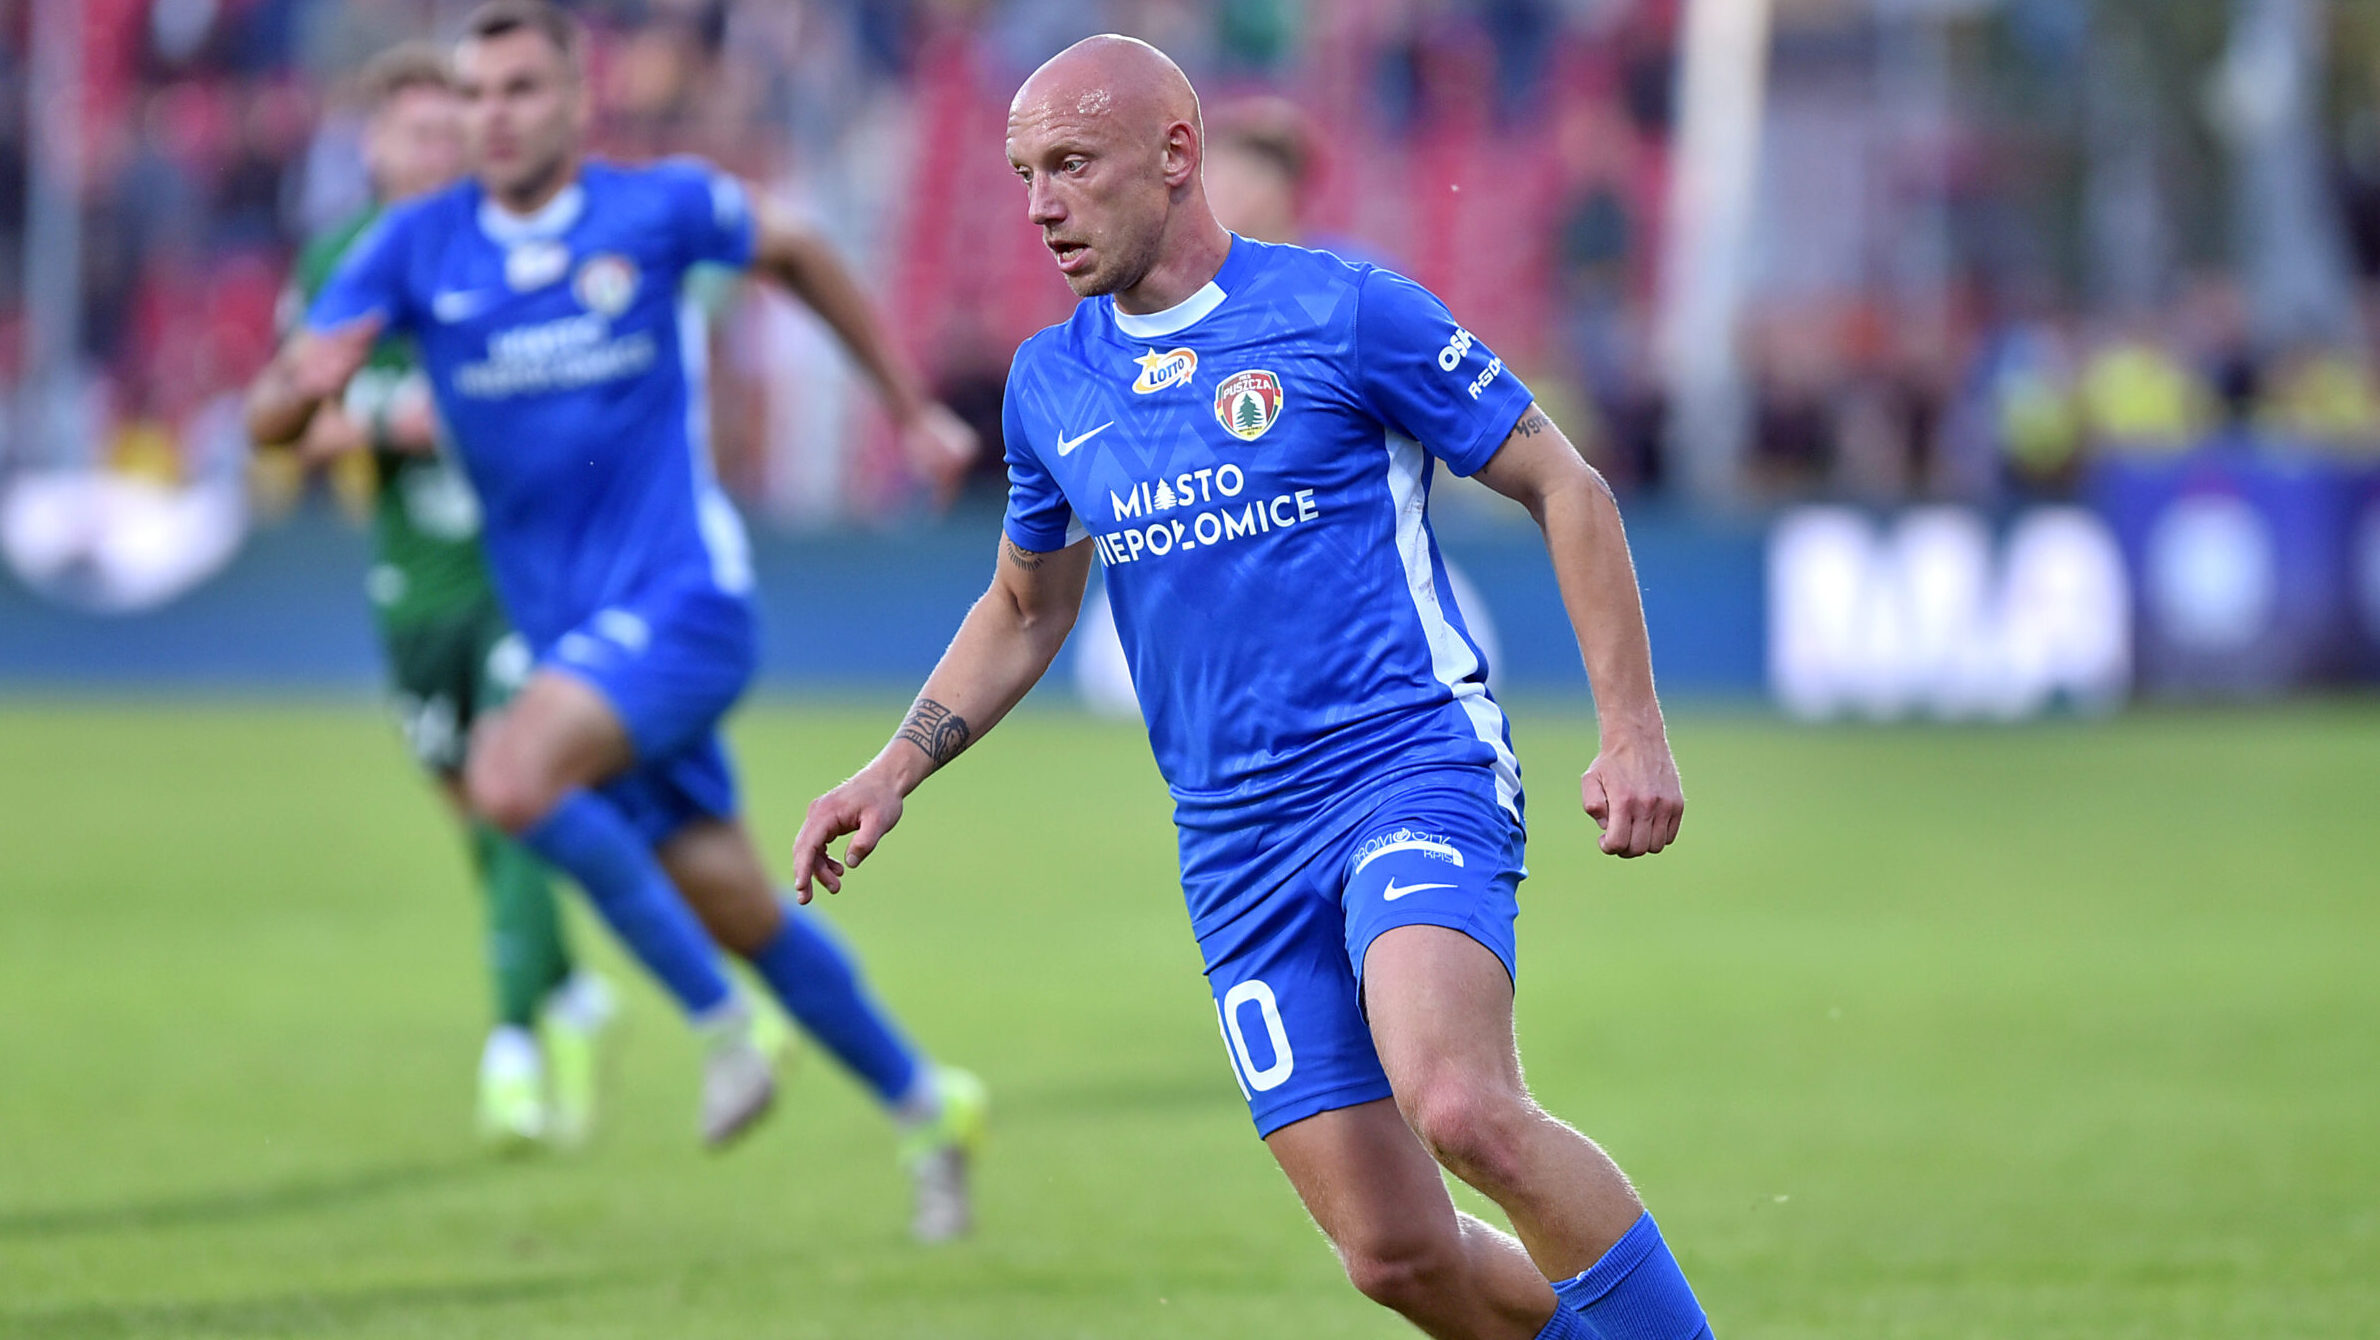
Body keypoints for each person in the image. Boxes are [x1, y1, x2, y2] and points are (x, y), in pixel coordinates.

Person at [793, 34, 1713, 1335]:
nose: (1041, 205)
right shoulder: (1050, 383)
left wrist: (1632, 727)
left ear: (1176, 154)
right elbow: (1024, 607)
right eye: (1022, 174)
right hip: (1233, 843)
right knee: (1394, 1256)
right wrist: (894, 768)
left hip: (1403, 768)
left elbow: (1566, 483)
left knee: (1460, 1105)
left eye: (1073, 164)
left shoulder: (1346, 312)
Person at [246, 1, 986, 1241]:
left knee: (508, 771)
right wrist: (297, 388)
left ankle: (721, 1024)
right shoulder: (417, 245)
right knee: (741, 905)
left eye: (521, 89)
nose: (495, 115)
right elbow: (274, 414)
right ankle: (929, 1104)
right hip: (572, 644)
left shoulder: (654, 208)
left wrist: (906, 408)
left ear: (579, 99)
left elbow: (798, 246)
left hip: (685, 604)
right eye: (477, 94)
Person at [247, 42, 614, 1152]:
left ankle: (513, 1050)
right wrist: (385, 419)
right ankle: (564, 980)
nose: (438, 151)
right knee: (472, 808)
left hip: (522, 571)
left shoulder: (512, 245)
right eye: (417, 132)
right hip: (414, 578)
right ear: (374, 145)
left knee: (513, 784)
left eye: (451, 134)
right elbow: (286, 419)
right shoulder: (339, 262)